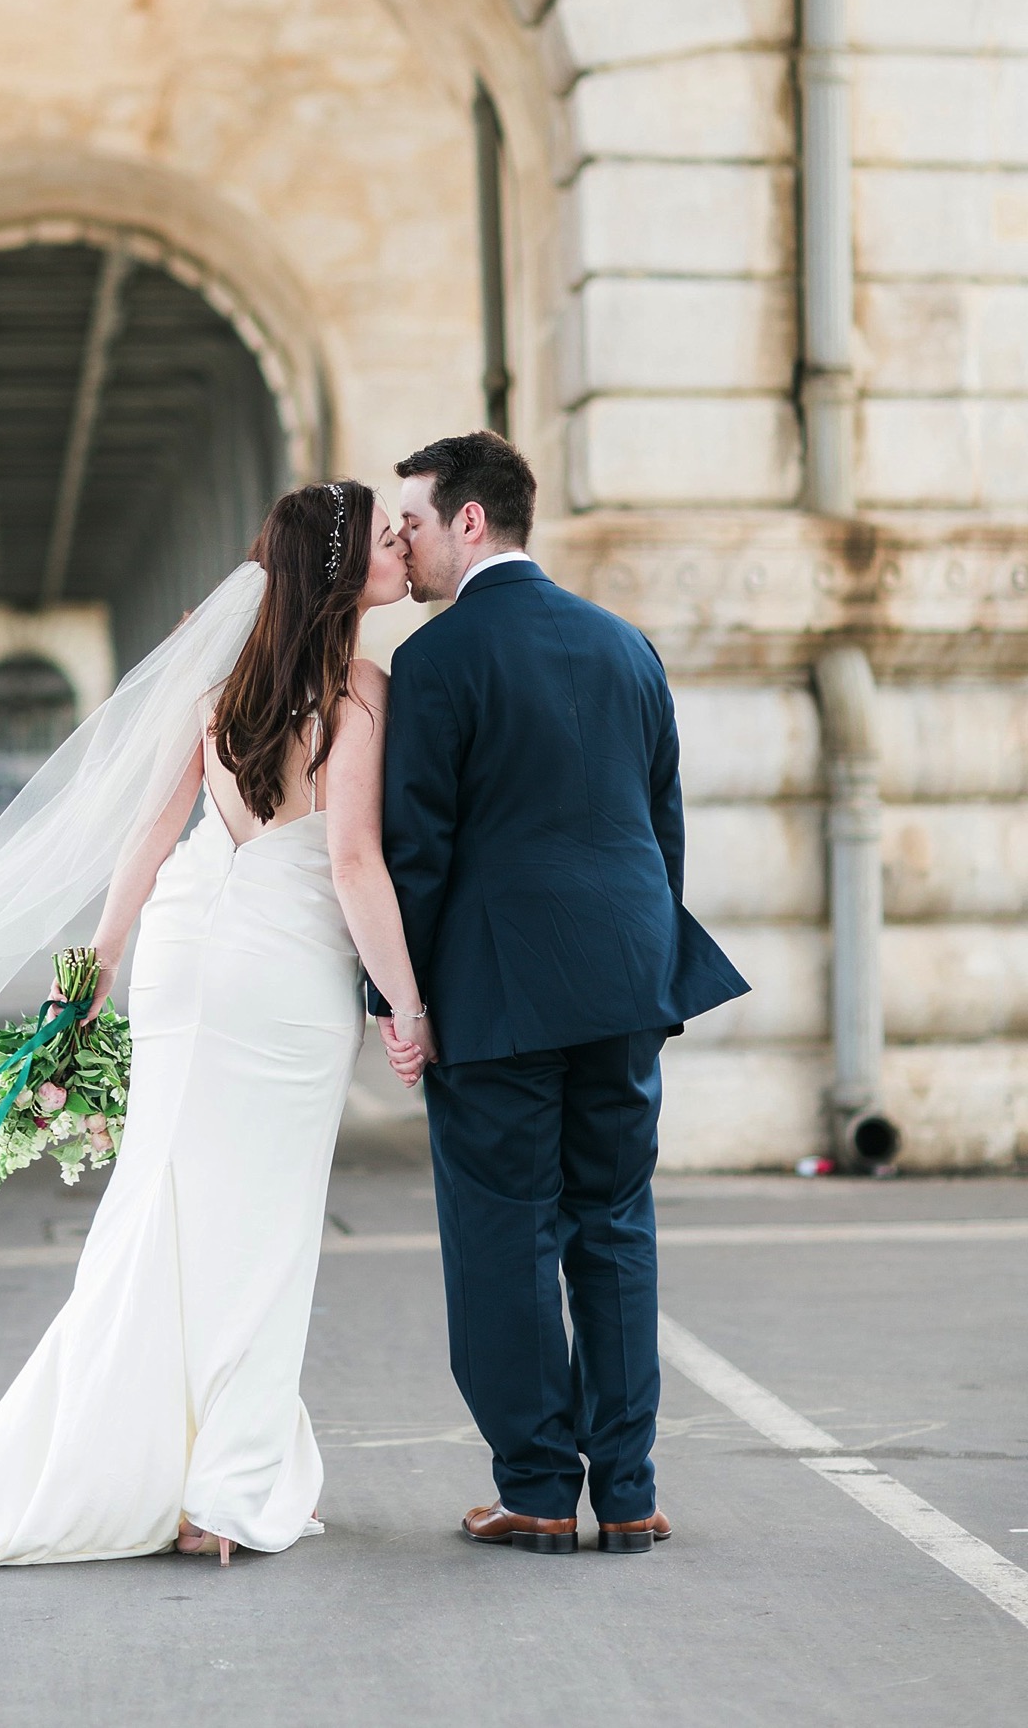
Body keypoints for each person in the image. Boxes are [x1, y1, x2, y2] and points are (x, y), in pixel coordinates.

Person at [0, 482, 432, 1574]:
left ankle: (137, 1461)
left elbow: (147, 830)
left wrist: (91, 969)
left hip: (178, 958)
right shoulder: (357, 687)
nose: (398, 549)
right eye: (380, 537)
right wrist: (404, 1006)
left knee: (160, 1207)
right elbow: (354, 863)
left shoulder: (216, 682)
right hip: (279, 976)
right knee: (261, 1236)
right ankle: (221, 1489)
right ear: (340, 568)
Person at [375, 432, 748, 1556]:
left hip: (494, 995)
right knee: (615, 1227)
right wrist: (638, 959)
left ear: (470, 522)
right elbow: (660, 826)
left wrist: (403, 999)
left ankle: (536, 1487)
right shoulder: (626, 646)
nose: (407, 544)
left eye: (415, 524)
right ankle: (629, 1492)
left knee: (503, 1237)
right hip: (624, 981)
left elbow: (418, 855)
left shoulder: (436, 665)